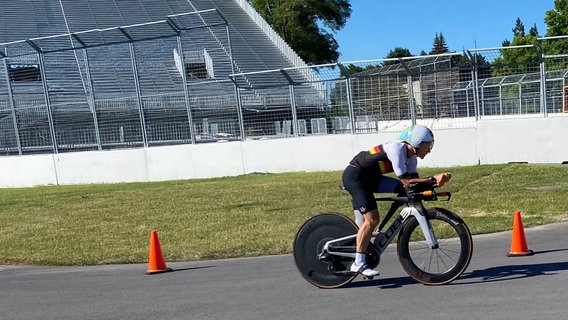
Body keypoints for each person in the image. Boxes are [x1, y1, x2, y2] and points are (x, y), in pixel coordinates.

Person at [342, 125, 452, 277]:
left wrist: (433, 184)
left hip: (371, 178)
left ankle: (374, 237)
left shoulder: (412, 158)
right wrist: (432, 179)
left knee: (403, 192)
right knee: (372, 219)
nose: (429, 150)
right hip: (356, 177)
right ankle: (358, 262)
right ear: (416, 142)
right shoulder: (397, 150)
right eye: (427, 145)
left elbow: (413, 185)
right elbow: (407, 181)